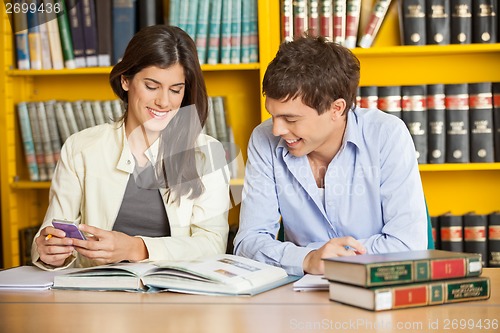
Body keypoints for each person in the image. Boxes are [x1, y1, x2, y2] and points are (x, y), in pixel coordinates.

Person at [32, 25, 230, 270]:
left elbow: (213, 244)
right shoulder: (80, 148)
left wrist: (137, 248)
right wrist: (49, 251)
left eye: (176, 90)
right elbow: (50, 232)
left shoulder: (207, 152)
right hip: (96, 294)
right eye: (151, 86)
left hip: (177, 293)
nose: (164, 102)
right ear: (126, 80)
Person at [233, 35, 427, 276]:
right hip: (297, 298)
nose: (277, 130)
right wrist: (308, 259)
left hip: (377, 286)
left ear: (337, 109)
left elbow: (407, 245)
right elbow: (247, 242)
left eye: (291, 119)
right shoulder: (264, 139)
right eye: (273, 115)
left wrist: (316, 256)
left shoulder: (386, 135)